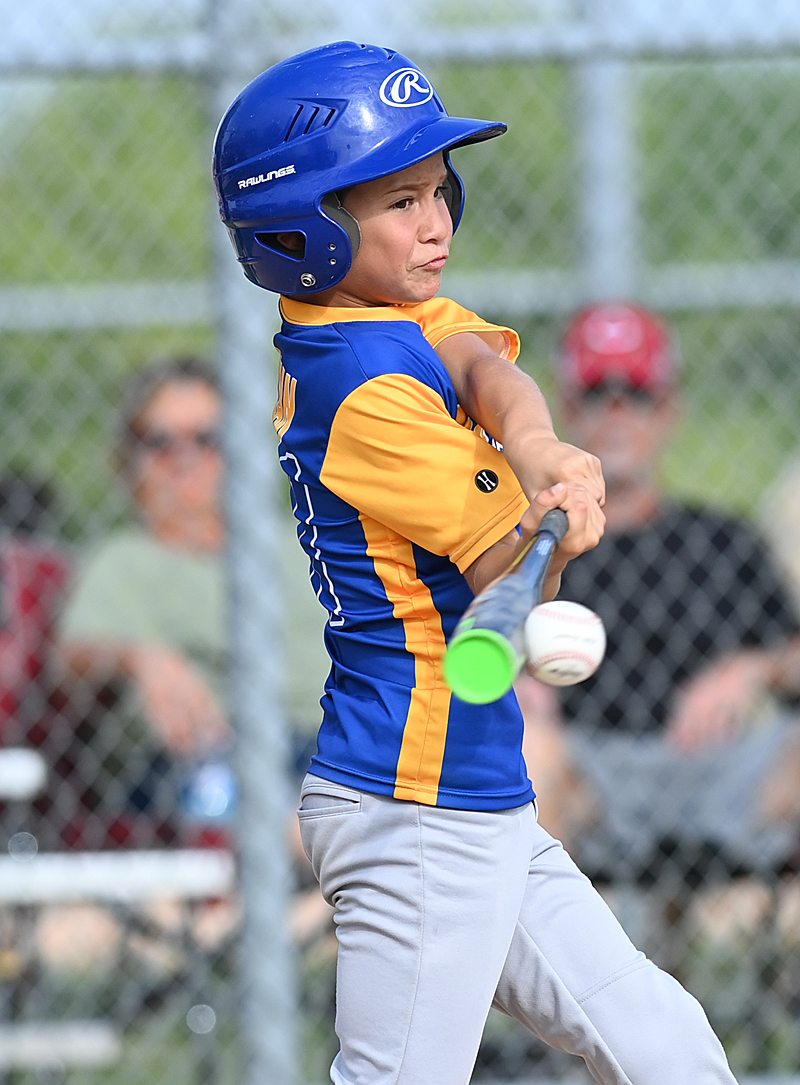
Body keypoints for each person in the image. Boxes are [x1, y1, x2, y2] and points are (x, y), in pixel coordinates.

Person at [213, 41, 738, 1085]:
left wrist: (541, 450)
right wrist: (560, 519)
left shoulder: (386, 325)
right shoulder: (359, 387)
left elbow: (478, 363)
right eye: (397, 201)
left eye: (438, 190)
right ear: (303, 230)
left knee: (662, 1046)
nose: (436, 221)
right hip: (415, 805)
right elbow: (516, 564)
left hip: (474, 792)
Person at [518, 301, 800, 884]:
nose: (618, 414)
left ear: (669, 409)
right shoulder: (533, 546)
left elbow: (792, 656)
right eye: (598, 394)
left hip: (722, 772)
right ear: (567, 409)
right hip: (588, 774)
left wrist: (752, 670)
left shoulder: (720, 539)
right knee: (525, 747)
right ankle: (555, 970)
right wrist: (512, 685)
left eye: (637, 395)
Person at [55, 355, 329, 848]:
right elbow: (71, 659)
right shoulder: (126, 561)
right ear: (127, 459)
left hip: (347, 741)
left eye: (208, 439)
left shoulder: (303, 544)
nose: (185, 458)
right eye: (160, 442)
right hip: (222, 763)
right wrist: (139, 657)